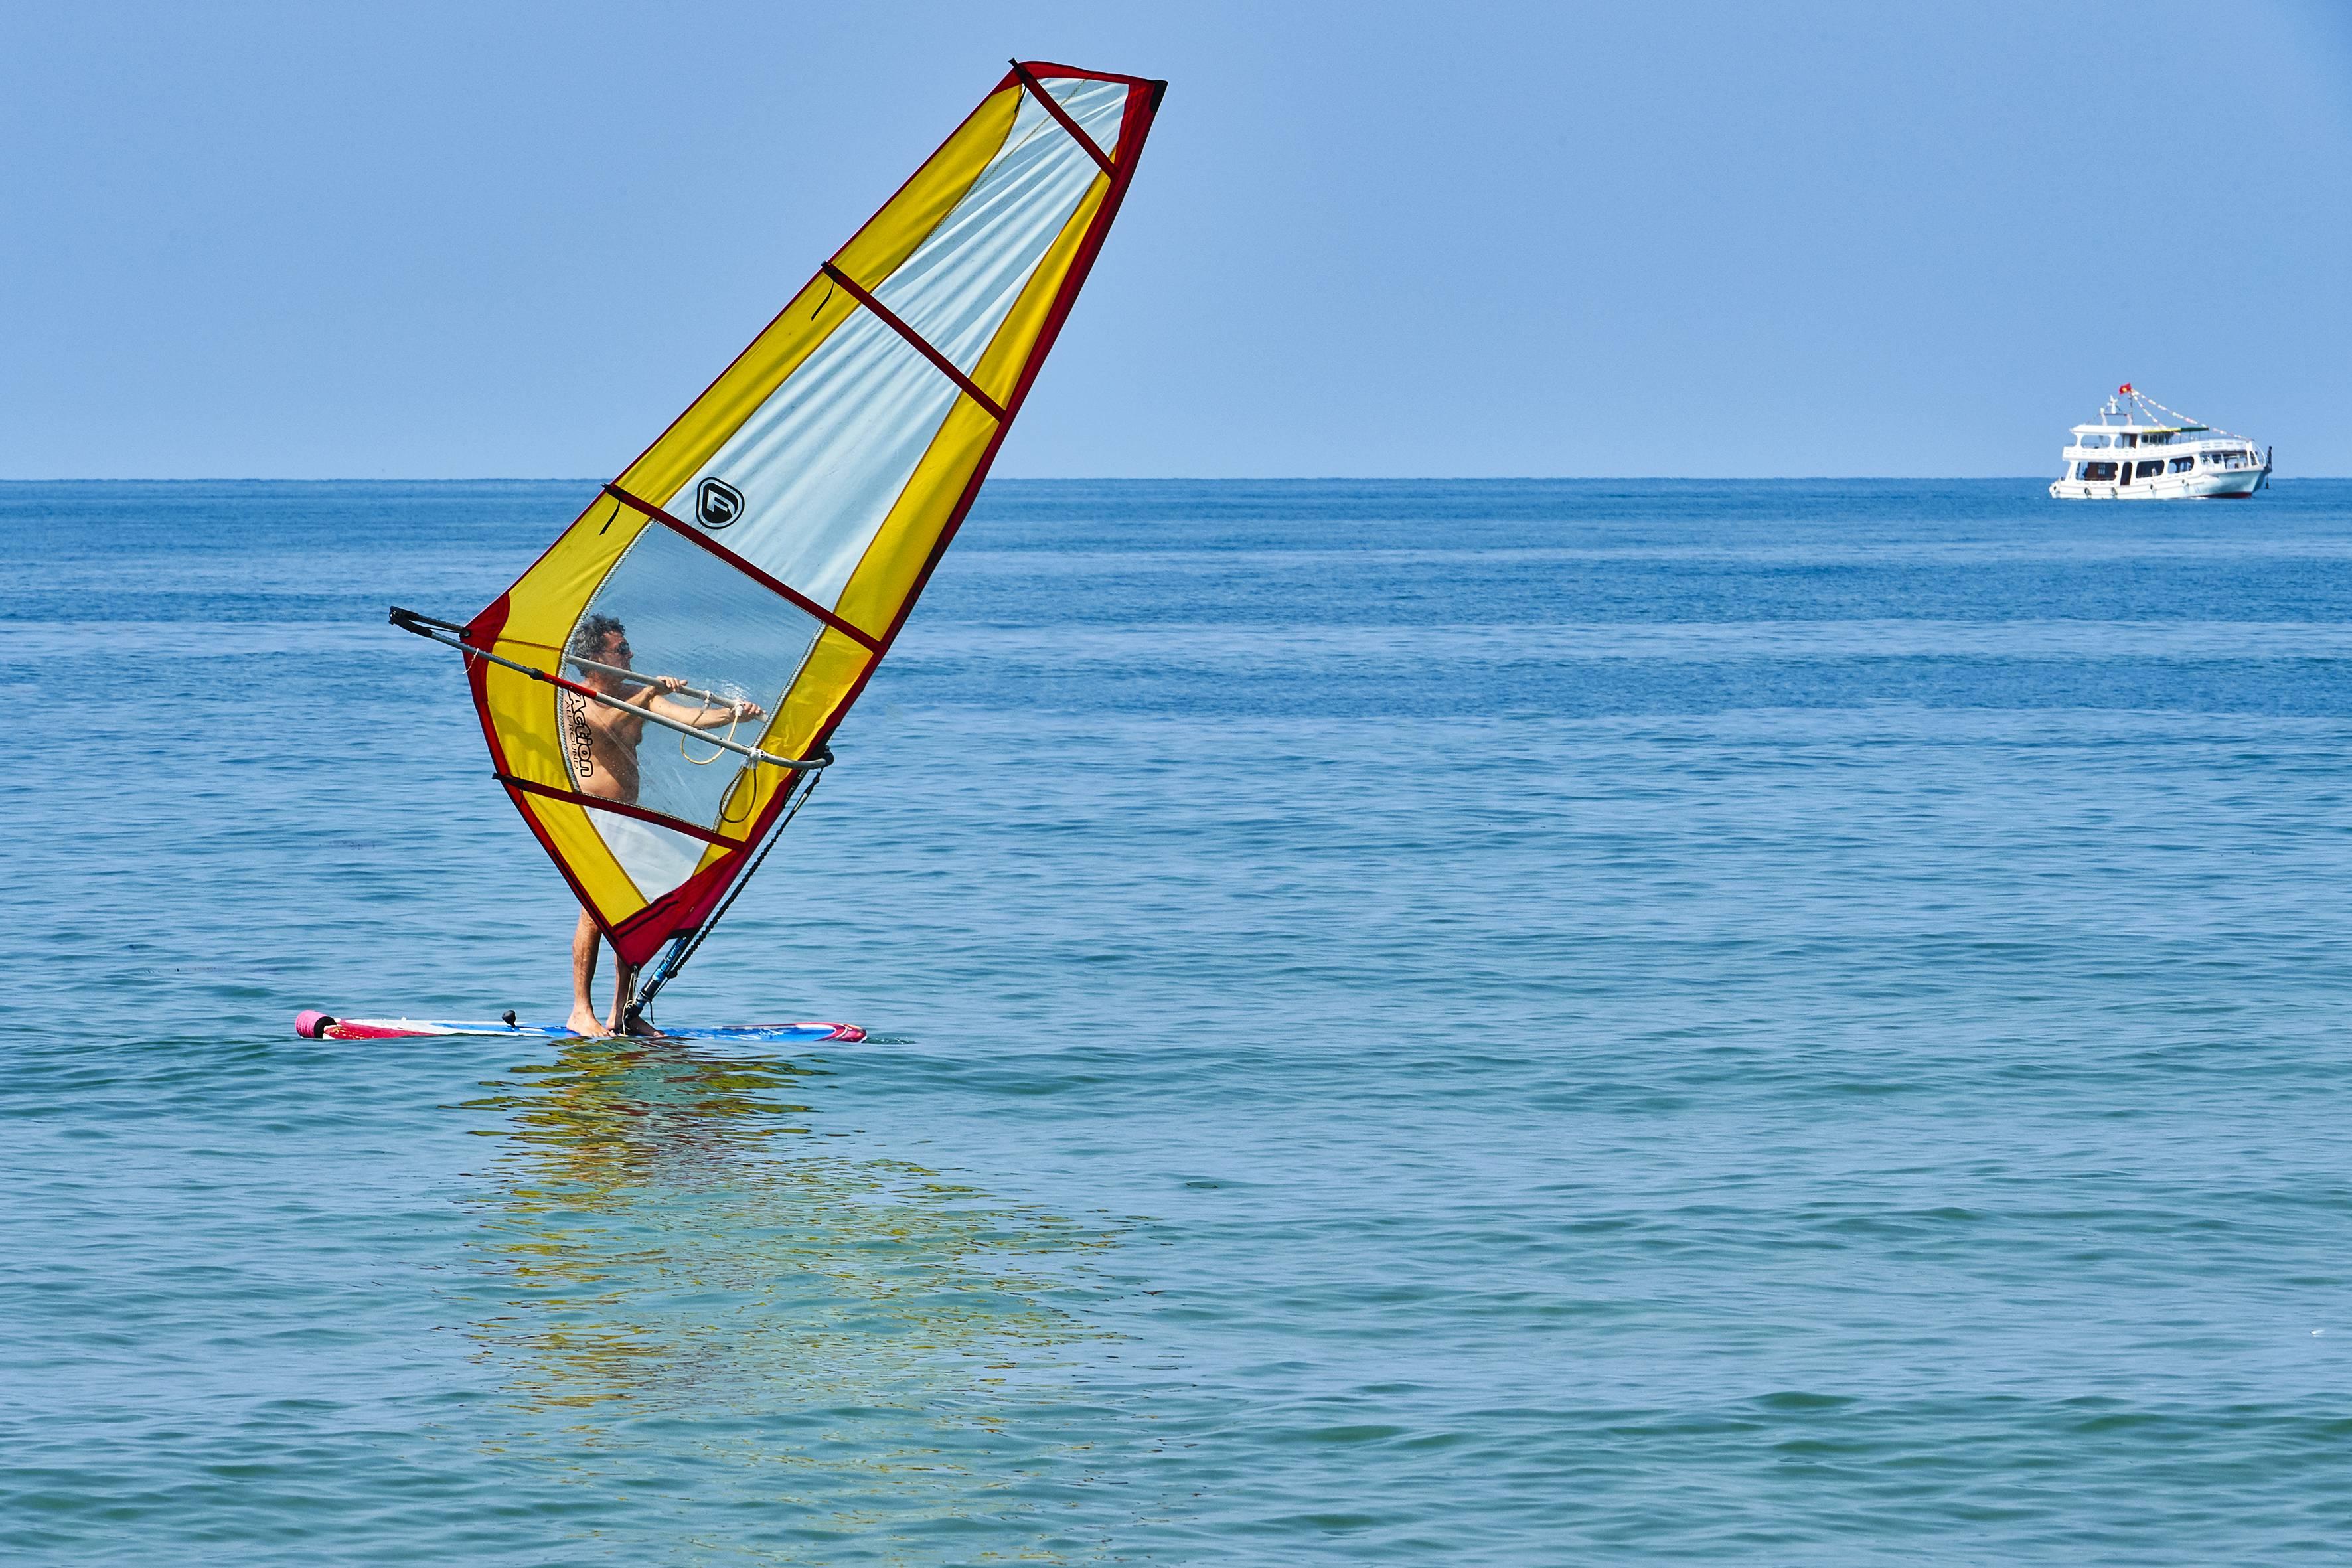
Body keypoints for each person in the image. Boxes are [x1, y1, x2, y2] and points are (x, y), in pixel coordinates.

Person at [561, 613, 766, 1036]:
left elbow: (685, 717)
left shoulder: (639, 694)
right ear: (595, 658)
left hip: (630, 819)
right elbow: (609, 724)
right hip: (592, 819)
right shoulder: (572, 699)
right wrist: (652, 688)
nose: (631, 653)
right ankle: (581, 1010)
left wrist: (734, 717)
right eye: (621, 649)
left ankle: (622, 1013)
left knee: (634, 913)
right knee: (593, 914)